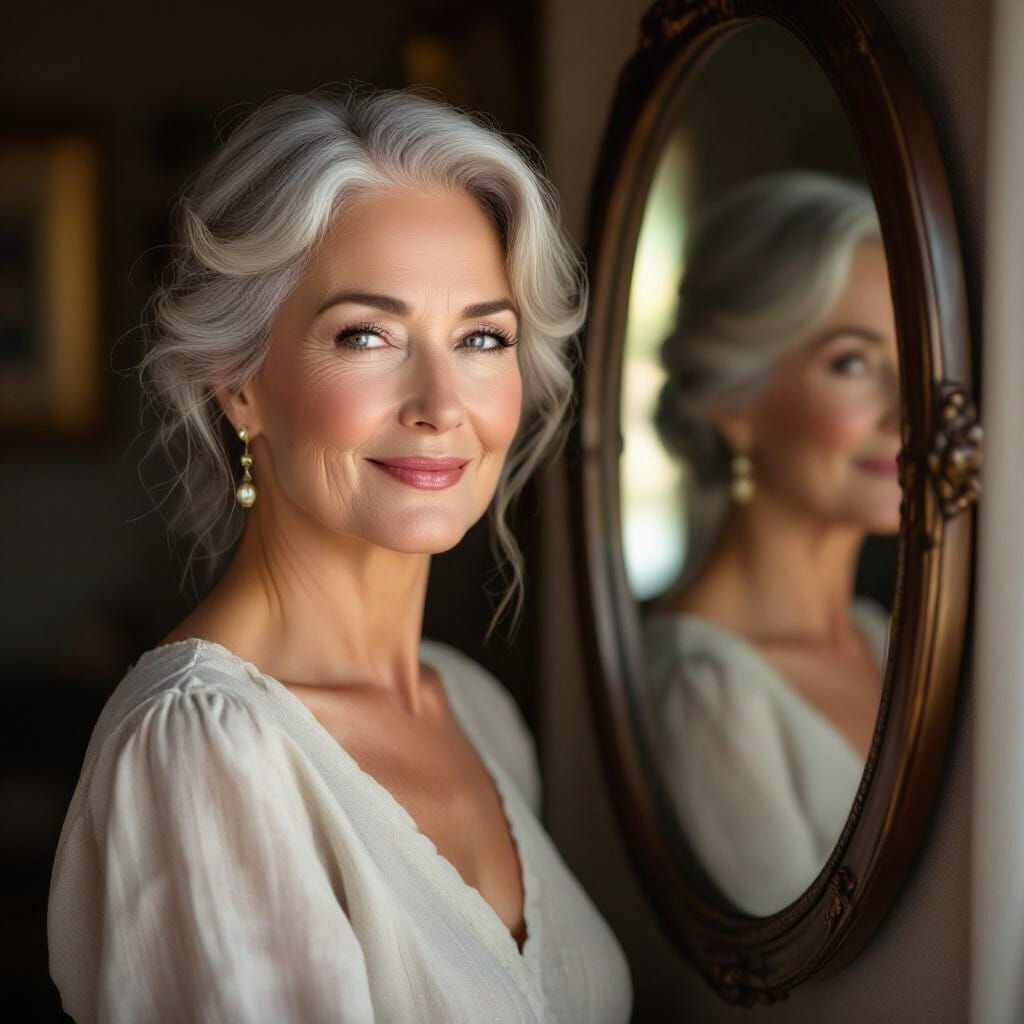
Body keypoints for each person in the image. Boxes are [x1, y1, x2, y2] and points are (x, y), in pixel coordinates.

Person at [47, 87, 632, 1023]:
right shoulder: (203, 750)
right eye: (368, 335)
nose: (441, 404)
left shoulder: (476, 710)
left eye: (482, 337)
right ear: (239, 384)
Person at [644, 171, 899, 916]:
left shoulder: (883, 640)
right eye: (853, 362)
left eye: (917, 362)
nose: (910, 410)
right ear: (735, 399)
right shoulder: (704, 691)